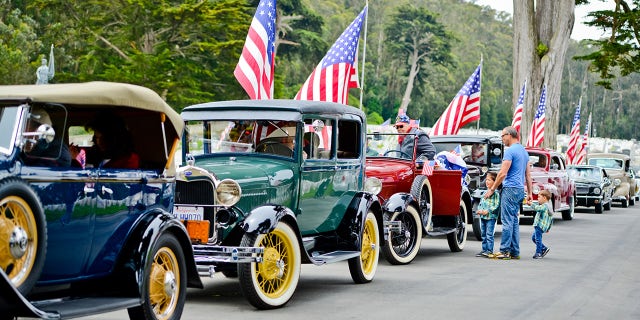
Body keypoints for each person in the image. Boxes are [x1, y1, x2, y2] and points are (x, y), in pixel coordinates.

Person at [484, 126, 532, 260]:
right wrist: (530, 193)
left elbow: (502, 173)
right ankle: (515, 251)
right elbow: (528, 175)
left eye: (503, 135)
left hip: (510, 189)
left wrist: (492, 189)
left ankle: (504, 251)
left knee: (507, 221)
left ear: (510, 135)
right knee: (514, 221)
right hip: (519, 190)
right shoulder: (524, 151)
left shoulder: (510, 151)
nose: (502, 139)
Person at [71, 111, 139, 169]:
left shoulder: (129, 159)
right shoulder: (99, 154)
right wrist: (77, 158)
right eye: (97, 137)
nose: (99, 142)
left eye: (104, 138)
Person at [475, 172, 500, 258]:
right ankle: (484, 249)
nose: (487, 182)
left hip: (491, 217)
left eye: (489, 180)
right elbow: (481, 203)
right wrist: (479, 210)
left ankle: (489, 250)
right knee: (483, 234)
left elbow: (497, 205)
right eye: (486, 180)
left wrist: (488, 211)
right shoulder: (485, 192)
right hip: (483, 217)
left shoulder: (495, 193)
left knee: (489, 234)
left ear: (494, 181)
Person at [528, 189, 553, 259]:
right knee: (534, 238)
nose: (537, 199)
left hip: (539, 225)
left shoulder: (544, 206)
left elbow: (538, 208)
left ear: (544, 198)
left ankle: (538, 253)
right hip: (542, 227)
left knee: (538, 239)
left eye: (539, 197)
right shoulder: (549, 207)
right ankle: (544, 248)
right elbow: (551, 219)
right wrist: (548, 228)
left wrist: (531, 204)